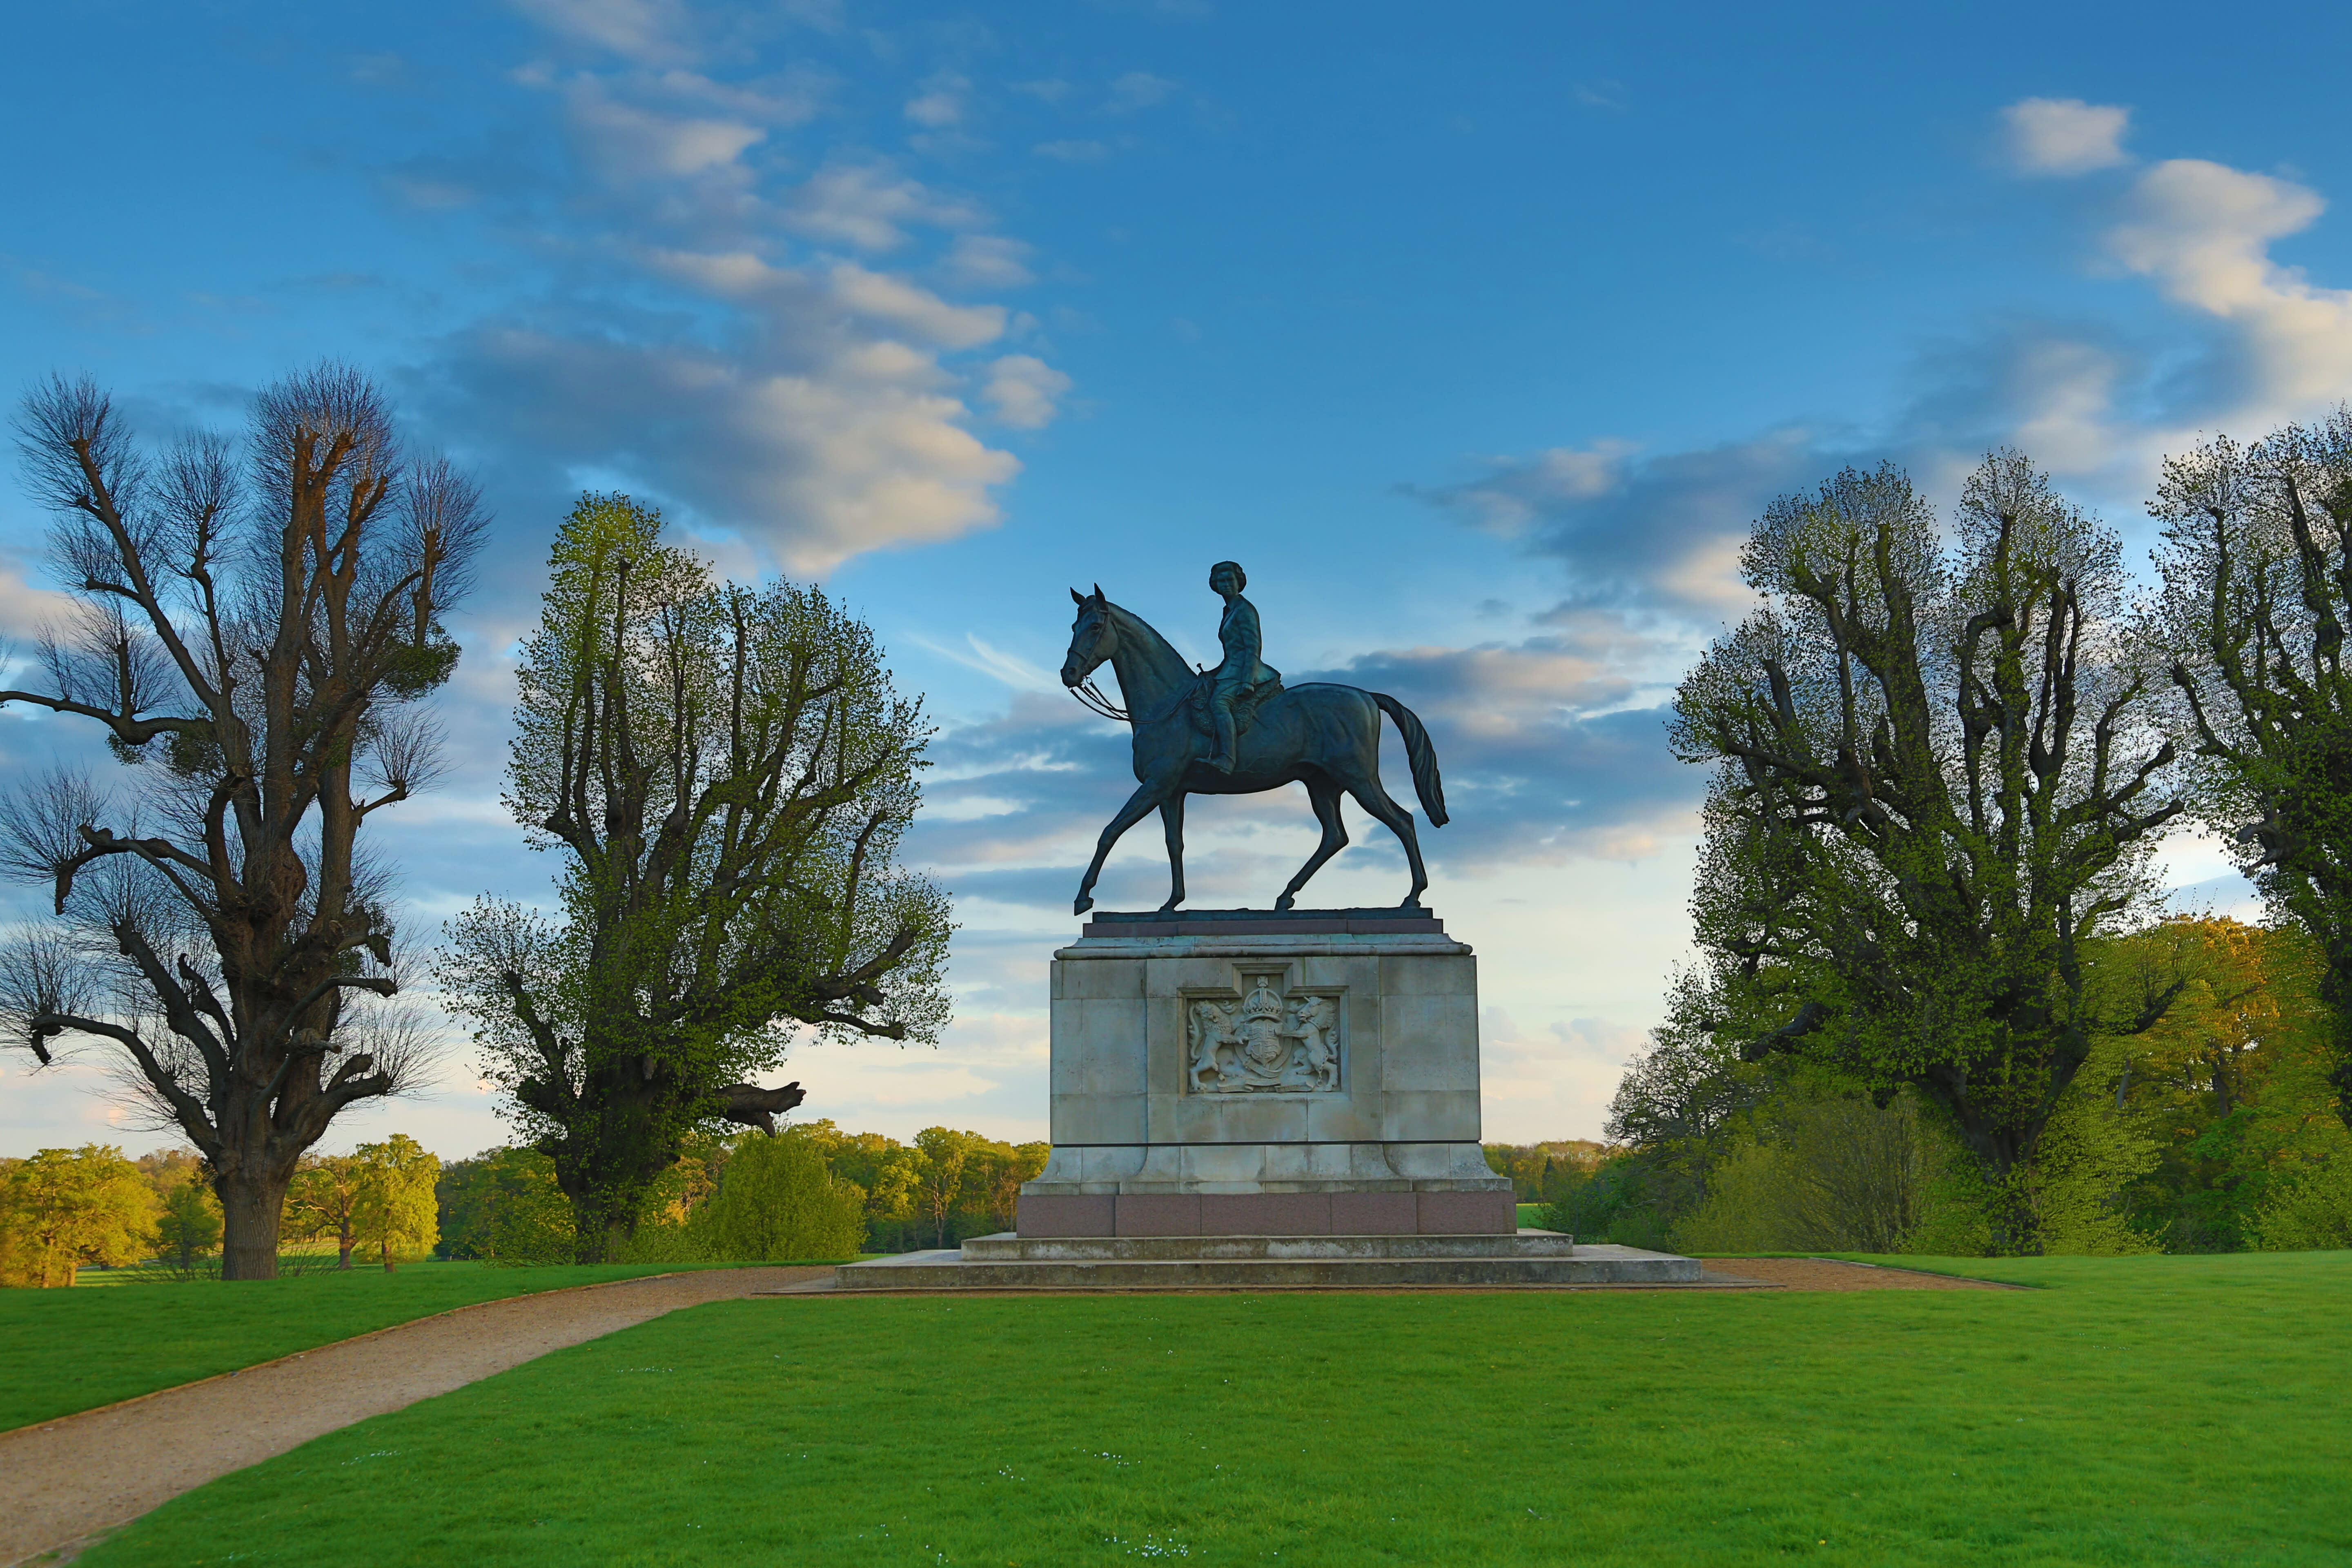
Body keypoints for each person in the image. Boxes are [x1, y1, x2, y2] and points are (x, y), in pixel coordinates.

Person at [1207, 560, 1279, 772]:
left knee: (1219, 704)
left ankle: (1227, 759)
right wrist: (1213, 674)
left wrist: (1248, 680)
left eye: (1230, 580)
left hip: (1247, 671)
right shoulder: (1229, 610)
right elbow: (1231, 652)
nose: (1226, 584)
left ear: (1239, 582)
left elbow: (1252, 647)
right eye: (1221, 580)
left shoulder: (1244, 609)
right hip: (1231, 669)